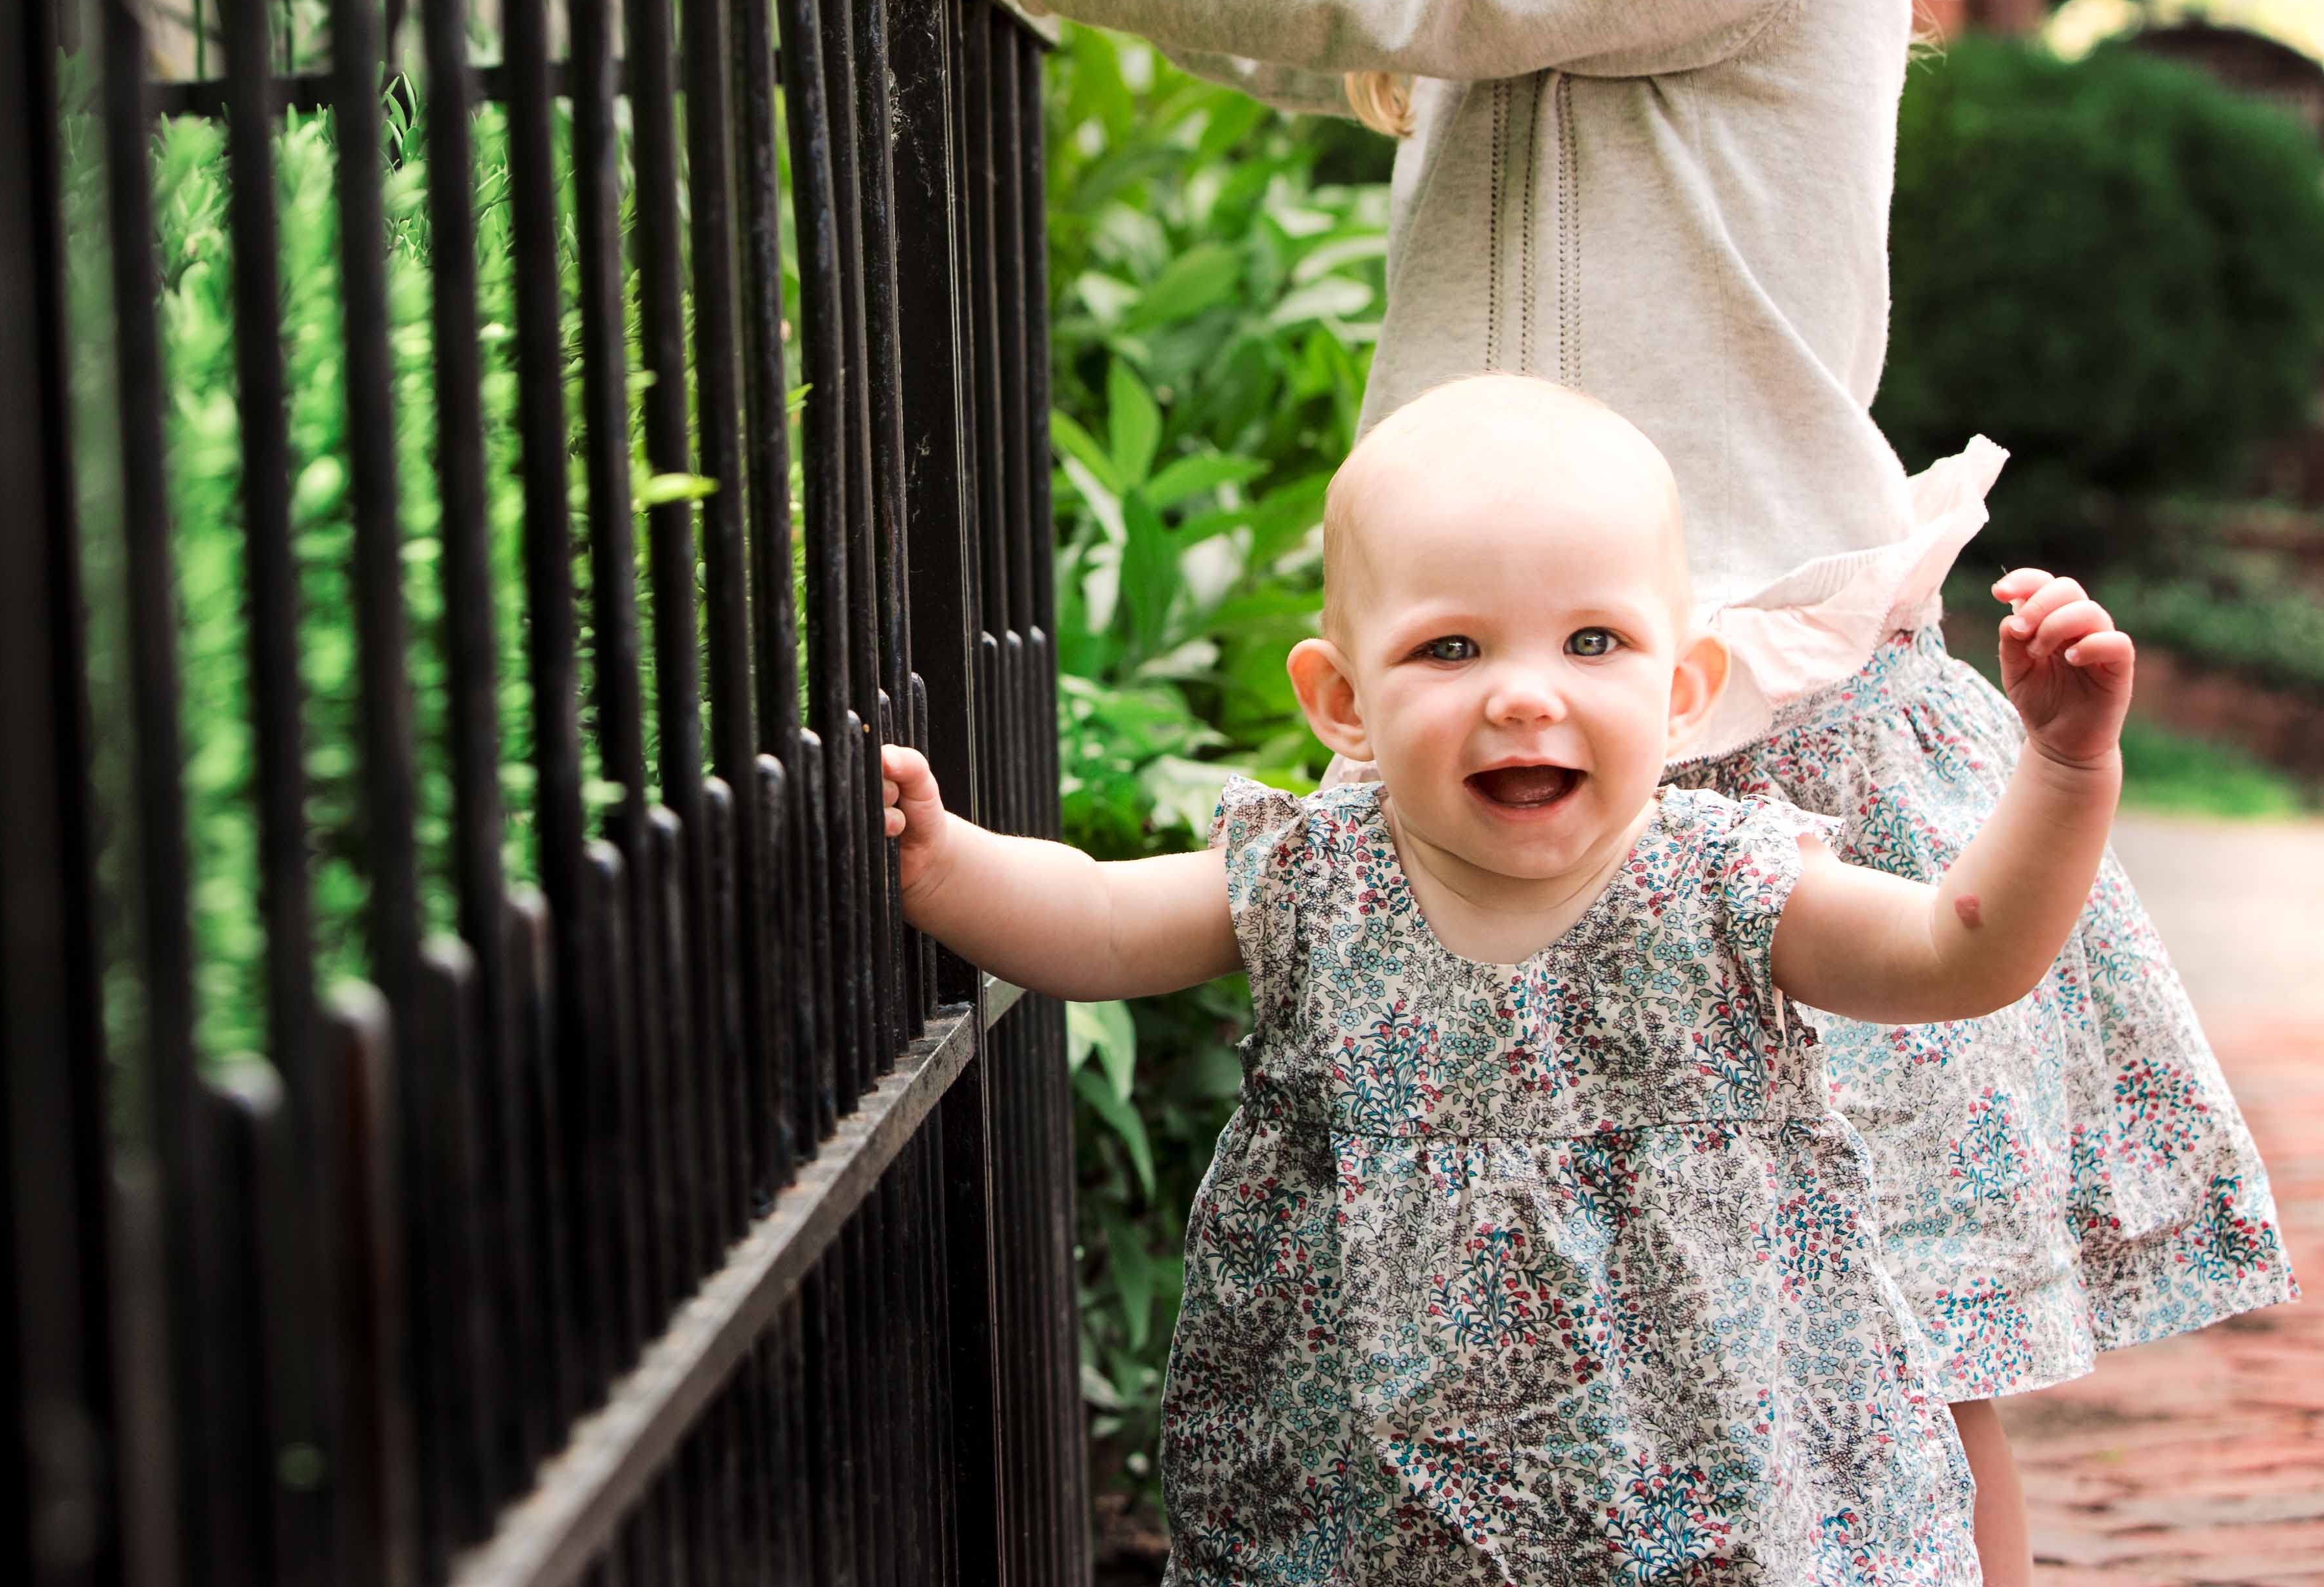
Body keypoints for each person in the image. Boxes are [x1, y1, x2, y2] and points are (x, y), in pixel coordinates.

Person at [931, 0, 2288, 1580]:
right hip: (1532, 726)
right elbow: (1319, 6)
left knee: (1882, 1336)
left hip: (1757, 731)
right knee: (1596, 1331)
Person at [881, 376, 2136, 1582]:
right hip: (1371, 1500)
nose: (1525, 695)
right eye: (1450, 648)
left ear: (1686, 691)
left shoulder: (1729, 884)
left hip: (1714, 1487)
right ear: (1342, 702)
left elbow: (1959, 952)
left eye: (1594, 641)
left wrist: (2066, 775)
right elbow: (1099, 922)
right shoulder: (1315, 876)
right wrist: (945, 866)